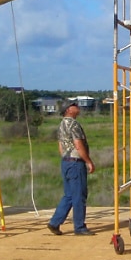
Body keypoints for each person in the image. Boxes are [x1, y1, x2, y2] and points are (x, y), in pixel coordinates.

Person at [47, 101, 96, 236]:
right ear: (69, 110)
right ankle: (79, 227)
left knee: (69, 195)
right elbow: (78, 144)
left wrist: (65, 158)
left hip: (66, 162)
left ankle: (55, 222)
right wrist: (88, 161)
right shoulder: (74, 124)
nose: (77, 107)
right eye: (74, 105)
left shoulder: (62, 125)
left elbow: (60, 146)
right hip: (75, 162)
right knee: (79, 195)